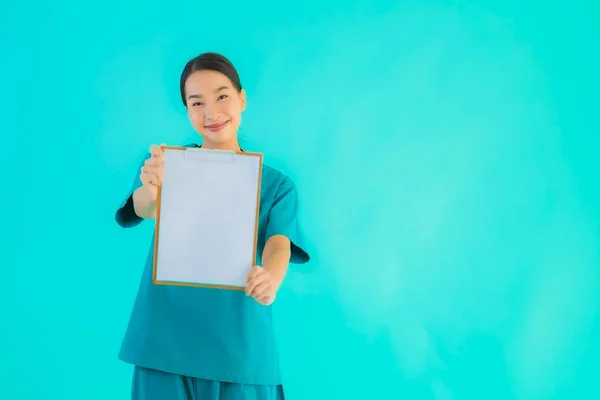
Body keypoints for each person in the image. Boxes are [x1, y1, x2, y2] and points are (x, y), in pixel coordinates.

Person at [115, 52, 310, 400]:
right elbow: (145, 207)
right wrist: (150, 186)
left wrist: (271, 278)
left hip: (240, 347)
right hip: (165, 343)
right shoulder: (166, 164)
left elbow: (278, 242)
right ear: (187, 110)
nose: (211, 112)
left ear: (242, 98)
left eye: (222, 96)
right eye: (197, 102)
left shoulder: (276, 185)